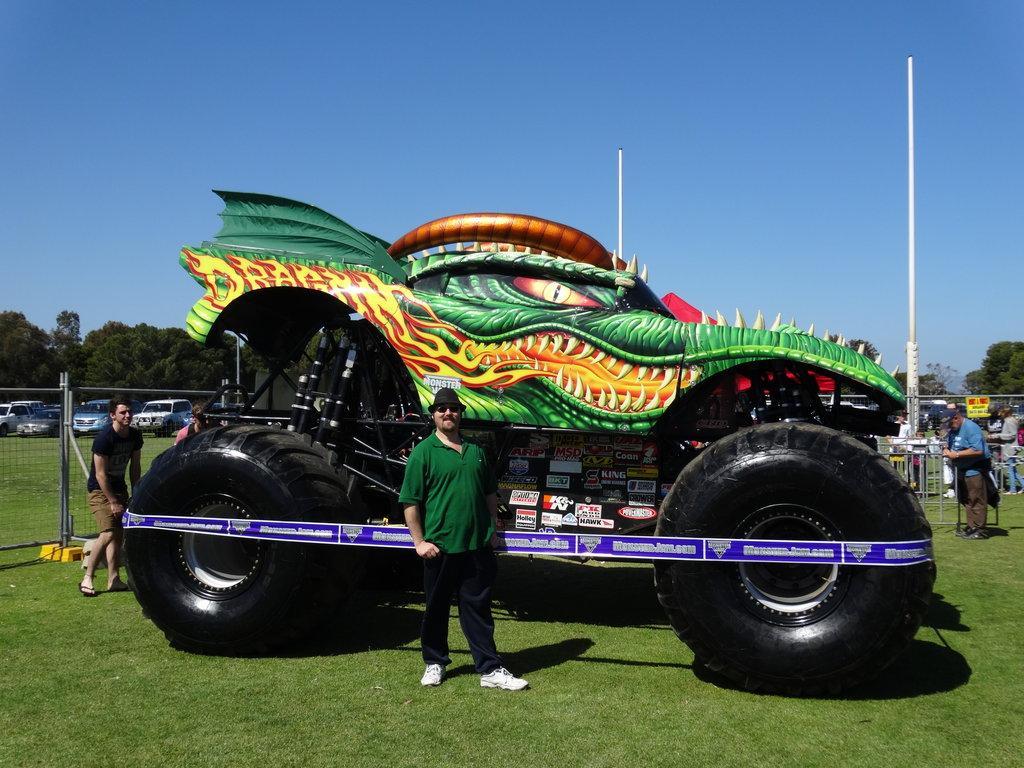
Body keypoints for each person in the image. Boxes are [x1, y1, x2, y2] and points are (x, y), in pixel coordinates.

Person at [398, 387, 527, 691]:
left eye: (453, 409)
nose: (448, 413)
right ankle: (434, 663)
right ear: (434, 415)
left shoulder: (476, 452)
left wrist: (493, 530)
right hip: (439, 549)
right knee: (436, 609)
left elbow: (489, 495)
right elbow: (410, 503)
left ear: (460, 414)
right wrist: (419, 542)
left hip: (476, 548)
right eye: (441, 409)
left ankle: (490, 669)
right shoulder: (423, 453)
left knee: (478, 609)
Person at [80, 395, 143, 595]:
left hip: (119, 488)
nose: (127, 415)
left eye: (129, 411)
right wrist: (113, 501)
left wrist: (136, 492)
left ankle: (113, 579)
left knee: (118, 534)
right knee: (107, 532)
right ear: (112, 415)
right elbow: (100, 474)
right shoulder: (104, 439)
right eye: (122, 412)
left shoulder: (135, 436)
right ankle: (87, 578)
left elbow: (135, 468)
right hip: (100, 491)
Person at [942, 410, 992, 539]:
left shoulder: (971, 427)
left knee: (976, 499)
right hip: (962, 468)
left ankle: (980, 530)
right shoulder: (954, 429)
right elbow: (952, 445)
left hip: (975, 469)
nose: (949, 427)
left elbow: (978, 450)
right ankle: (971, 527)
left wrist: (956, 454)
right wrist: (946, 449)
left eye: (950, 423)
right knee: (966, 499)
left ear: (957, 418)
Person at [996, 406, 1021, 494]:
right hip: (1011, 447)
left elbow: (1012, 435)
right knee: (1012, 469)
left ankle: (1013, 490)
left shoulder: (1009, 421)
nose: (999, 413)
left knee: (1010, 470)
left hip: (1010, 447)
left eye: (1001, 412)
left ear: (1005, 412)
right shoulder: (1011, 420)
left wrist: (999, 435)